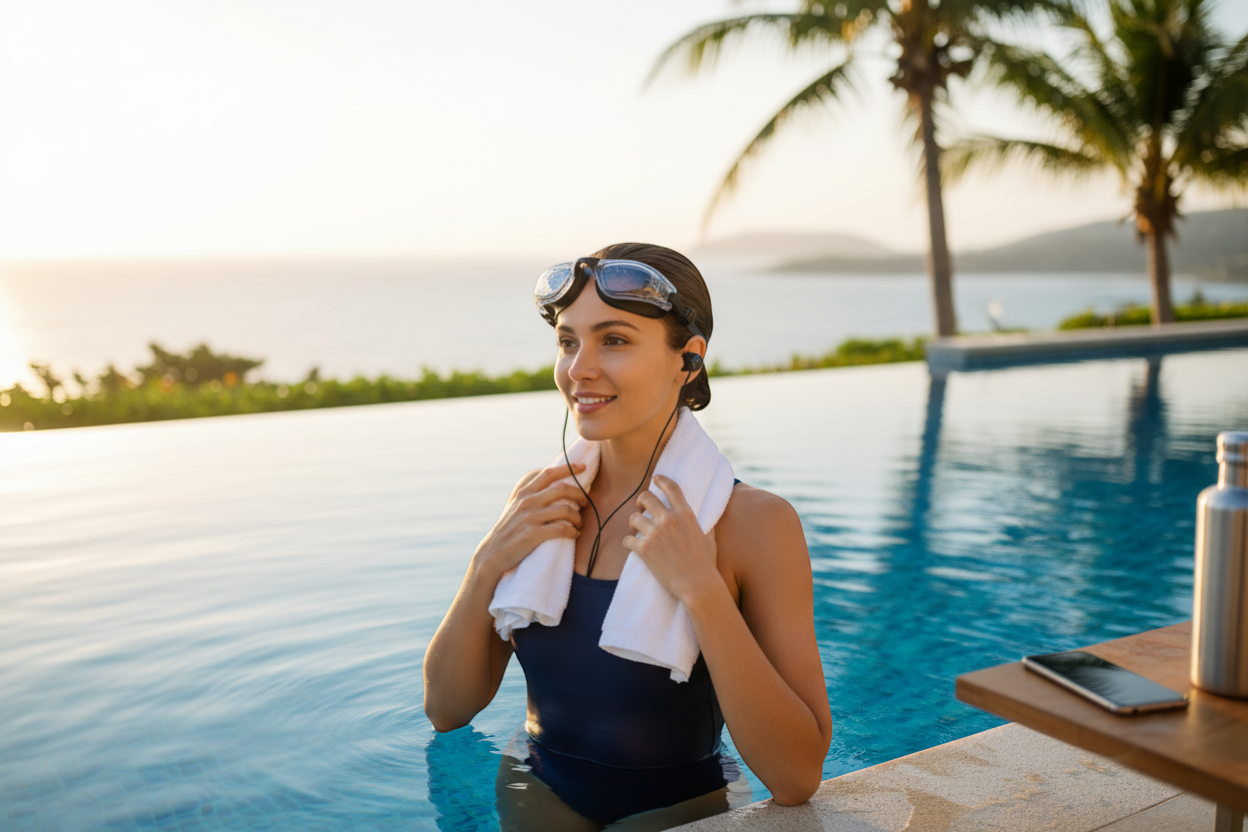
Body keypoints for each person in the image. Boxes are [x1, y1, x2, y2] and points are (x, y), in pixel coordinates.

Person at [423, 243, 831, 830]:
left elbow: (797, 778)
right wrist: (486, 563)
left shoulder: (753, 524)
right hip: (535, 790)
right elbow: (446, 711)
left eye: (613, 340)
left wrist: (702, 590)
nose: (579, 369)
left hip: (679, 810)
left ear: (688, 359)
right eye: (568, 341)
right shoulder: (541, 500)